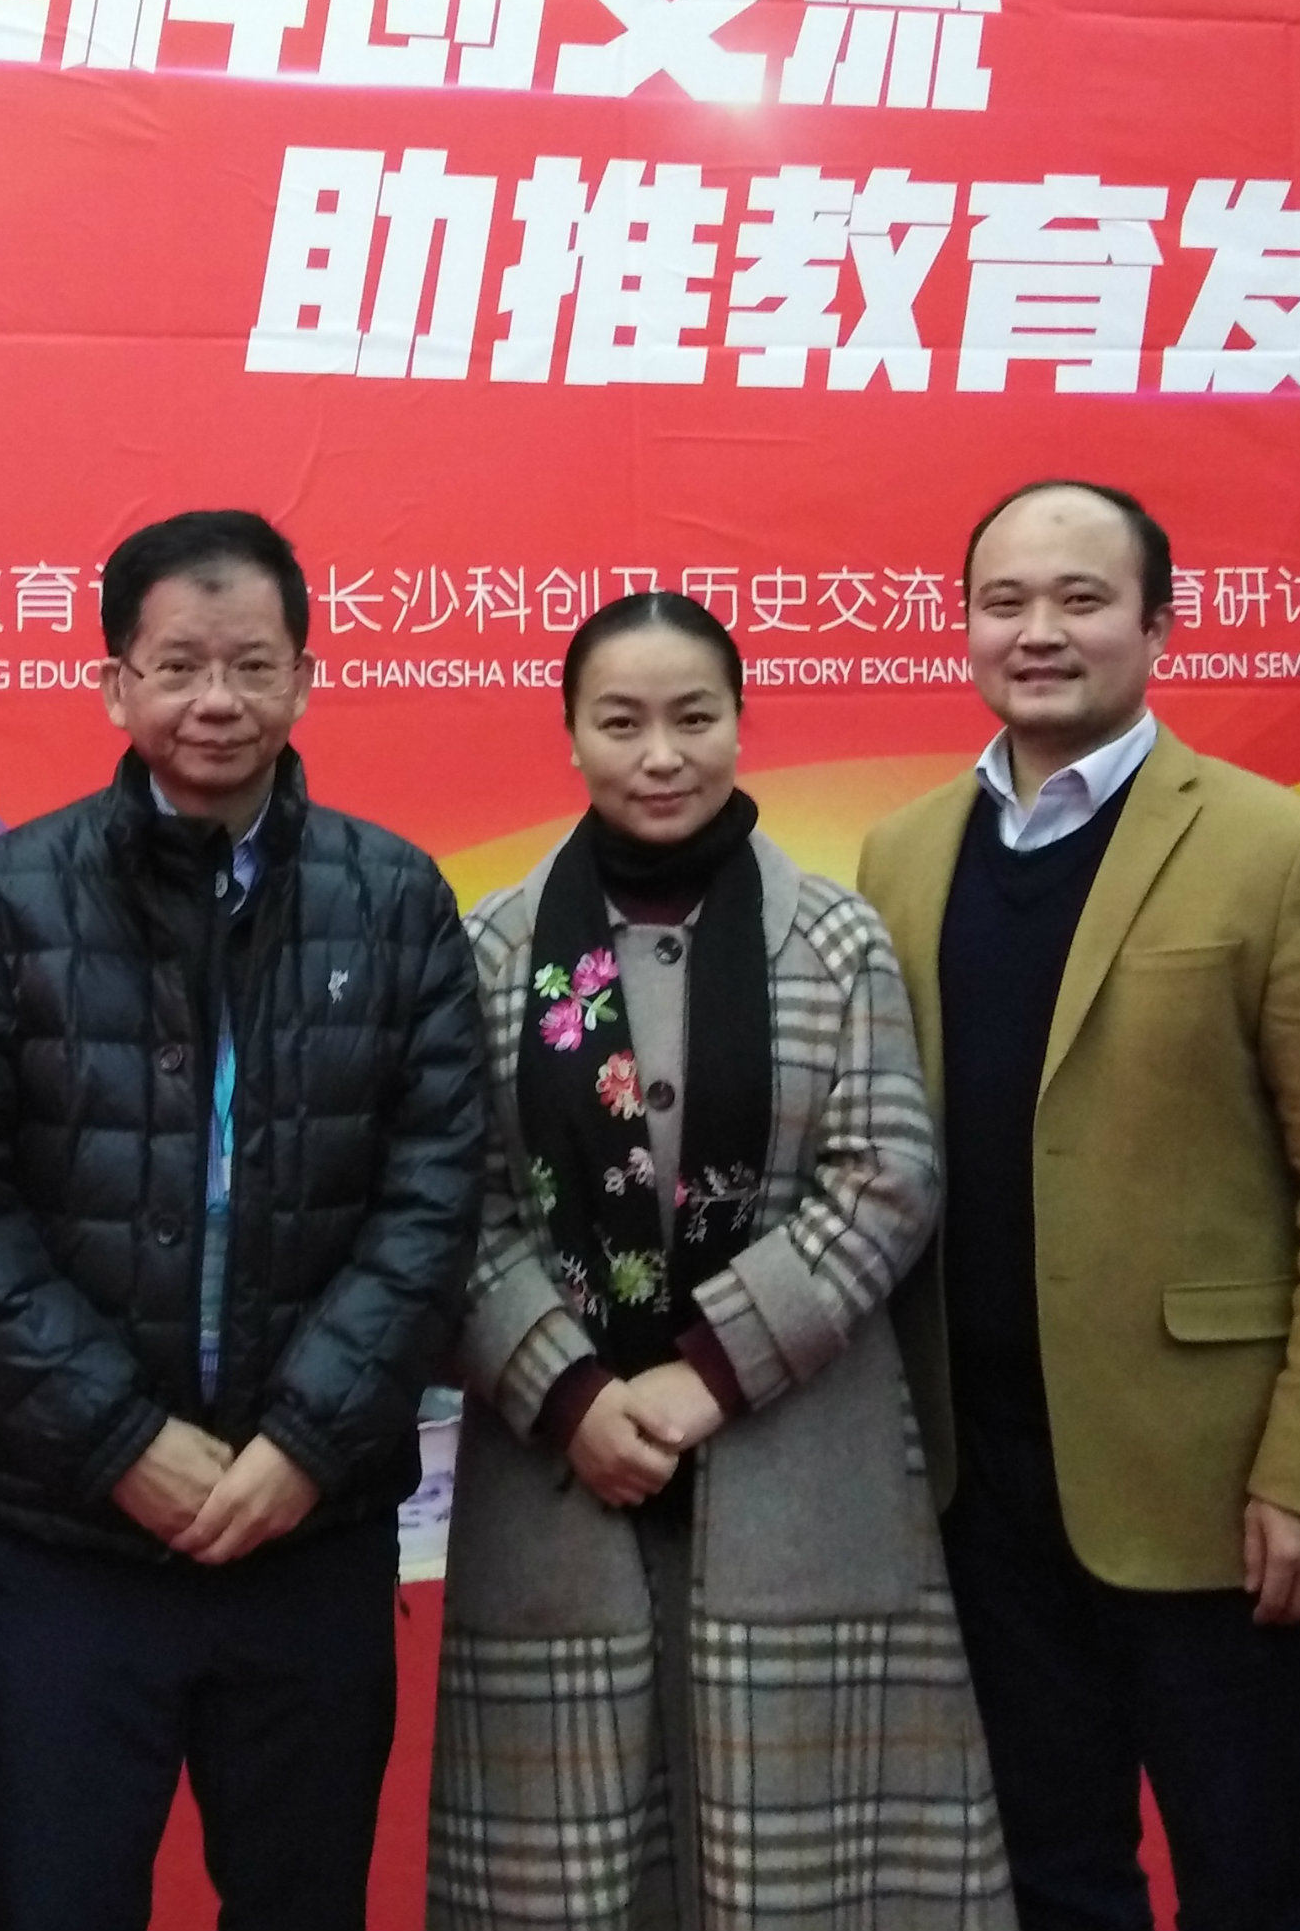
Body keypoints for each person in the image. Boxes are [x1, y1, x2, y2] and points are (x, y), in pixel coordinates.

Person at [0, 508, 488, 1931]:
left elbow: (435, 1191)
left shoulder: (396, 897)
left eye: (250, 664)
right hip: (74, 1532)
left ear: (304, 679)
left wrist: (302, 1445)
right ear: (117, 686)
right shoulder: (14, 895)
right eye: (177, 666)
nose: (215, 699)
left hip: (310, 1529)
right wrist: (116, 1440)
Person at [854, 481, 1300, 1931]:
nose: (1038, 632)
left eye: (1082, 599)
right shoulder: (903, 853)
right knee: (1049, 1870)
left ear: (1160, 625)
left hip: (1208, 1484)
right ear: (965, 624)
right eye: (1004, 602)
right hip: (981, 1484)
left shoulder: (1279, 851)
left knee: (1251, 1873)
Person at [427, 592, 1010, 1931]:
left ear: (741, 723)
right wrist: (574, 1397)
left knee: (799, 1864)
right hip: (562, 1466)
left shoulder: (834, 936)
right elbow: (455, 1204)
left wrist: (707, 1373)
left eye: (694, 718)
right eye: (621, 722)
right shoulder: (496, 946)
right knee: (570, 1865)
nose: (661, 755)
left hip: (797, 1455)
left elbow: (889, 1178)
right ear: (571, 733)